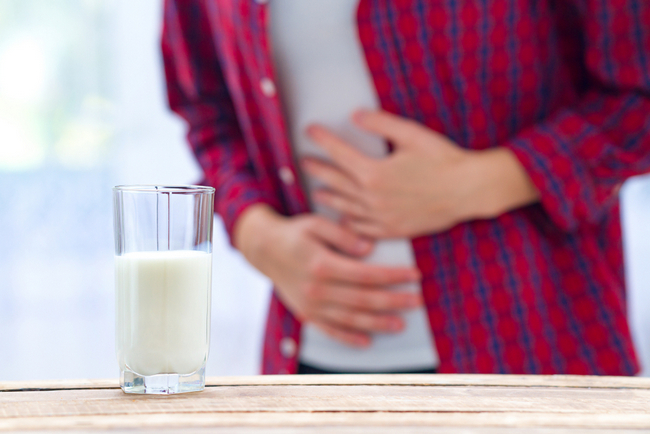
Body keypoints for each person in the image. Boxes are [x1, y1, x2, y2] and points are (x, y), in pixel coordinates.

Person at [162, 0, 650, 375]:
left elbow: (637, 95)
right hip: (307, 367)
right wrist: (256, 234)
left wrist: (485, 181)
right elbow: (204, 106)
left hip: (528, 346)